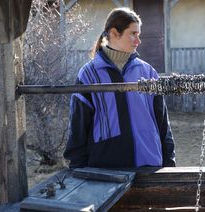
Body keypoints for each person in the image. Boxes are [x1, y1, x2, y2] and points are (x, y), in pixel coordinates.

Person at [64, 8, 176, 168]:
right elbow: (79, 126)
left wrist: (169, 162)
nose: (138, 41)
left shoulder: (148, 72)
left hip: (149, 166)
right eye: (133, 34)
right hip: (106, 169)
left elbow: (163, 123)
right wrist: (78, 166)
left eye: (138, 34)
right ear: (114, 33)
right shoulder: (89, 74)